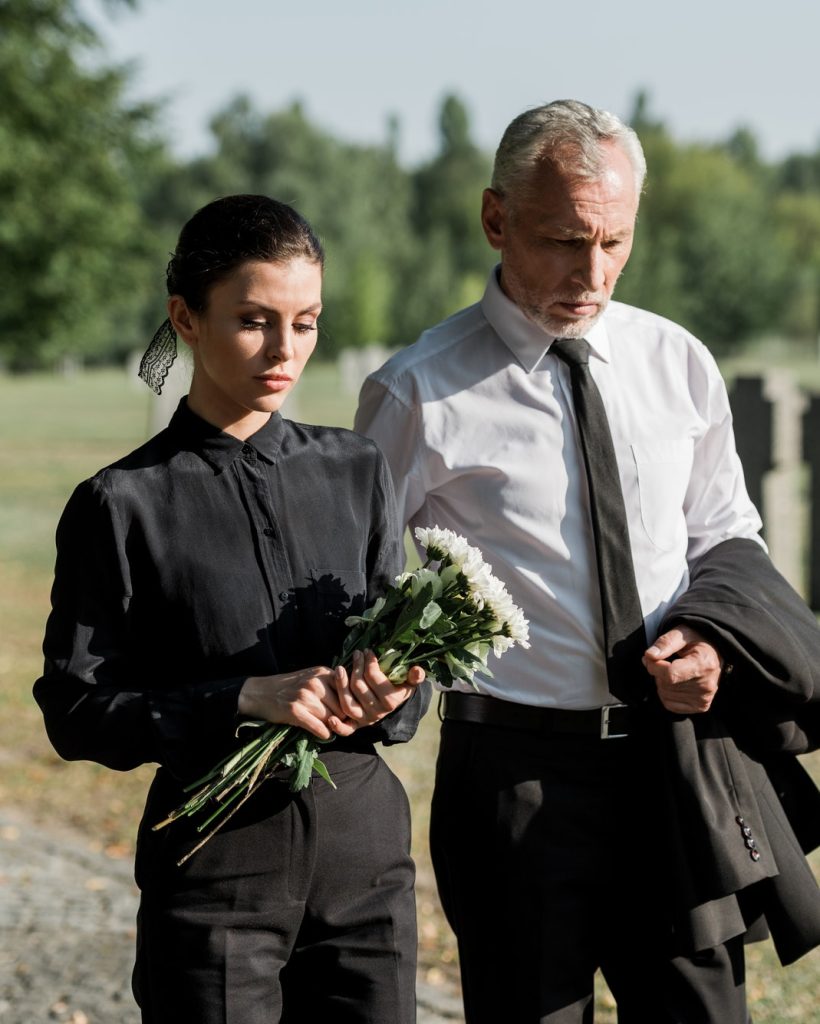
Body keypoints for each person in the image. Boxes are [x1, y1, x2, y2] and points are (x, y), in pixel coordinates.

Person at [355, 100, 820, 1022]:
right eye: (565, 240)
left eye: (615, 242)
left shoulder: (676, 360)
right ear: (496, 220)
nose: (592, 272)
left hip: (673, 767)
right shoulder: (417, 390)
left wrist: (709, 646)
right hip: (515, 784)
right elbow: (361, 581)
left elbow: (727, 536)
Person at [34, 193, 430, 1024]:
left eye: (307, 322)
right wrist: (241, 699)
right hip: (216, 880)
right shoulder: (120, 504)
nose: (286, 350)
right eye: (254, 320)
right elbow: (76, 713)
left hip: (367, 868)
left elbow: (407, 685)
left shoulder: (358, 471)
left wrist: (396, 692)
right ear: (185, 316)